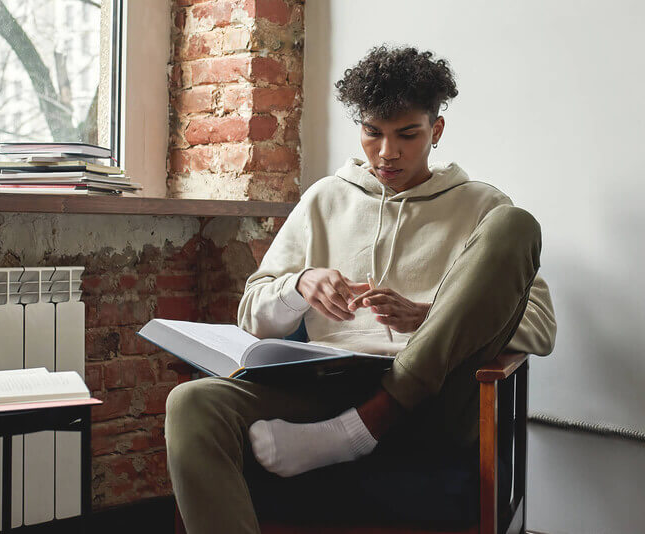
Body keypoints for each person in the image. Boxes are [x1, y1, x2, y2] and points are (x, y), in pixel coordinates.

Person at [165, 44, 556, 534]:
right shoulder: (325, 198)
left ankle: (365, 425)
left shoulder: (481, 206)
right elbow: (253, 312)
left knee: (515, 225)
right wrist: (299, 286)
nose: (387, 153)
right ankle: (349, 428)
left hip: (434, 399)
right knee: (192, 404)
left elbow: (540, 327)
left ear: (436, 131)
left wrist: (432, 317)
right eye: (373, 133)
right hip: (324, 388)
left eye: (407, 135)